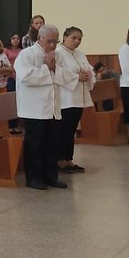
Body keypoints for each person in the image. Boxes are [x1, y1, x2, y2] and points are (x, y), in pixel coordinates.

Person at [14, 24, 68, 190]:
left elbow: (65, 76)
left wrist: (53, 68)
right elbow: (26, 77)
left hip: (52, 106)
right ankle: (34, 178)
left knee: (52, 144)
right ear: (40, 38)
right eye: (50, 41)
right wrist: (47, 68)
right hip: (34, 107)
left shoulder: (56, 55)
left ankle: (51, 176)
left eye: (56, 41)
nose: (53, 45)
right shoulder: (27, 54)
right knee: (35, 144)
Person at [54, 26, 94, 173]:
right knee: (63, 130)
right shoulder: (58, 53)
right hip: (66, 97)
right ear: (65, 37)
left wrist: (89, 75)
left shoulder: (80, 53)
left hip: (79, 97)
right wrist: (78, 77)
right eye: (74, 38)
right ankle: (59, 160)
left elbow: (89, 68)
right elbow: (58, 73)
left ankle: (69, 159)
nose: (77, 41)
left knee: (71, 130)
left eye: (79, 39)